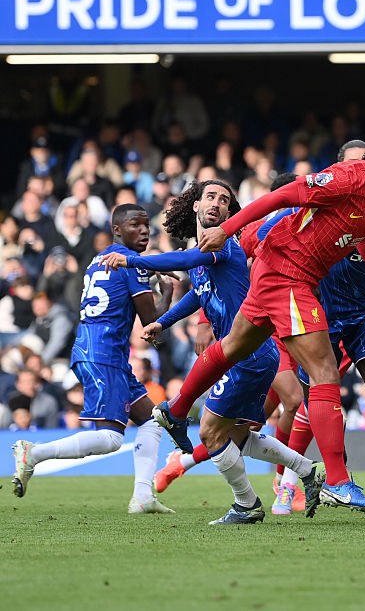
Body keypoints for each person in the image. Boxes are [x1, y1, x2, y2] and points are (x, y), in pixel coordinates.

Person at [151, 128, 365, 517]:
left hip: (282, 274)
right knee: (324, 372)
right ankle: (336, 480)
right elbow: (279, 196)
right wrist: (225, 230)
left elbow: (364, 237)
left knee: (234, 346)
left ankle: (175, 409)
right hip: (288, 272)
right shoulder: (346, 177)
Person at [99, 180, 320, 524]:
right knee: (236, 436)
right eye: (210, 197)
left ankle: (246, 504)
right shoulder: (206, 252)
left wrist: (134, 263)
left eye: (224, 200)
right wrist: (165, 322)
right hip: (249, 354)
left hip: (245, 355)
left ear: (230, 213)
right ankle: (307, 470)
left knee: (208, 433)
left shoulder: (223, 245)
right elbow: (198, 293)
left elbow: (185, 259)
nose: (217, 203)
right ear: (195, 205)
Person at [11, 204, 174, 514]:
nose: (144, 230)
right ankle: (33, 453)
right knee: (111, 438)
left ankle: (142, 496)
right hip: (103, 354)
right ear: (116, 229)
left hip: (101, 351)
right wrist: (165, 293)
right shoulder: (130, 263)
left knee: (152, 420)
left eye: (146, 225)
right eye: (135, 225)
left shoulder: (97, 261)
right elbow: (151, 326)